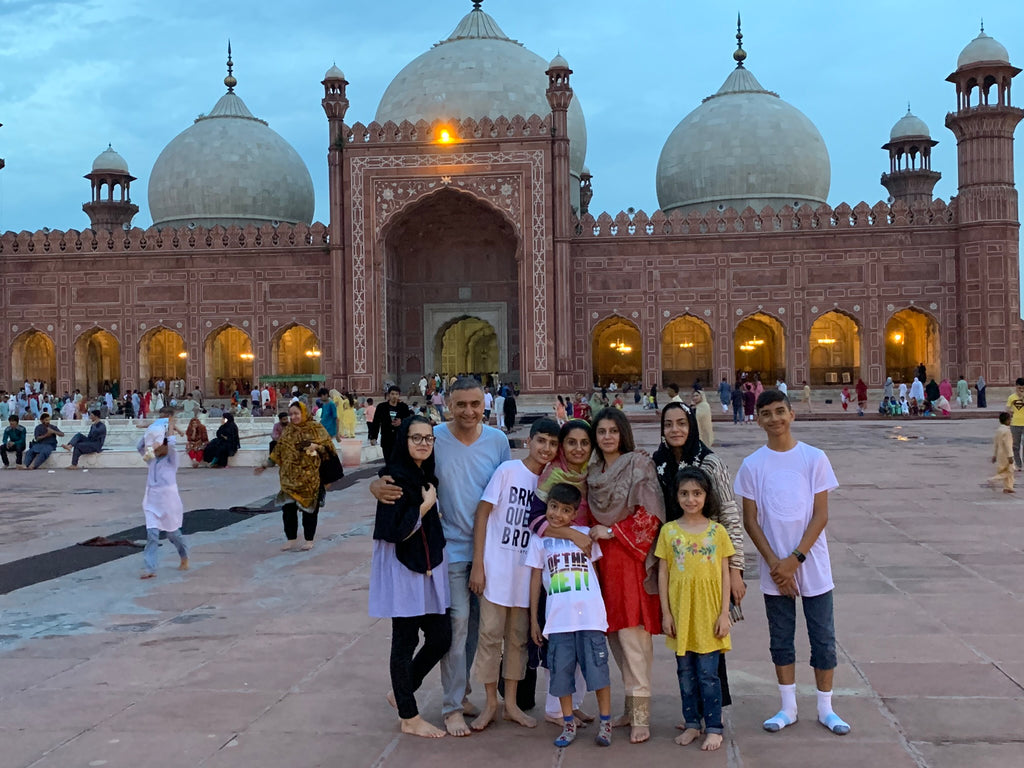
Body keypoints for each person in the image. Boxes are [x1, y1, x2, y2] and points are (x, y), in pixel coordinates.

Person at [370, 377, 510, 737]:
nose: (468, 411)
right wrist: (377, 482)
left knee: (476, 631)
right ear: (448, 403)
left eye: (475, 404)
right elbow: (403, 469)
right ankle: (450, 708)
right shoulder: (436, 438)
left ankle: (457, 693)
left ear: (486, 404)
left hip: (487, 551)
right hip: (447, 551)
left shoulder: (498, 441)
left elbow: (508, 490)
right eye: (461, 404)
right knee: (455, 627)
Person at [734, 390, 849, 736]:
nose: (774, 418)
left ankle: (826, 709)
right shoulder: (753, 464)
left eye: (780, 411)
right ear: (758, 420)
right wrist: (776, 565)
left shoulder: (813, 458)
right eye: (766, 413)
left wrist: (794, 560)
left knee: (823, 638)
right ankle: (788, 708)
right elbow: (751, 521)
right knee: (781, 638)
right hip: (775, 569)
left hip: (811, 563)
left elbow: (821, 514)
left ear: (792, 414)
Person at [467, 417, 559, 731]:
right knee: (490, 638)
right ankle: (490, 703)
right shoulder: (509, 472)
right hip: (495, 571)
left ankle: (511, 704)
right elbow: (483, 513)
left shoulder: (550, 484)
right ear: (529, 441)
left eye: (552, 443)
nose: (546, 448)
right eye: (541, 441)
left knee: (518, 641)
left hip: (526, 579)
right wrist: (478, 563)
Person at [586, 407, 665, 744]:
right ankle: (630, 708)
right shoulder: (592, 473)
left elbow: (650, 516)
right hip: (603, 564)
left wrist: (612, 532)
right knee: (615, 638)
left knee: (634, 640)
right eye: (601, 431)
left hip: (629, 560)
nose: (607, 437)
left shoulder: (638, 464)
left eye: (613, 431)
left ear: (623, 433)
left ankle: (642, 717)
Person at [369, 415, 451, 738]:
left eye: (428, 438)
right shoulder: (394, 481)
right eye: (415, 438)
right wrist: (424, 506)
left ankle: (401, 691)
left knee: (441, 636)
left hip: (428, 566)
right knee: (404, 640)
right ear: (403, 440)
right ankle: (409, 716)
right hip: (403, 568)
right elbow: (396, 530)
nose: (422, 444)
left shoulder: (424, 476)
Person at [527, 482, 613, 749]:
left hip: (590, 617)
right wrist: (534, 620)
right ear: (547, 506)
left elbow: (597, 575)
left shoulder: (585, 535)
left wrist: (601, 610)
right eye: (553, 507)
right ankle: (567, 722)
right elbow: (534, 582)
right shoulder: (540, 540)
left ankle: (606, 723)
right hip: (558, 619)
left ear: (575, 512)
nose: (557, 514)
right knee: (561, 673)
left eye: (565, 510)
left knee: (598, 673)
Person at [656, 466, 734, 751]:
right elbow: (662, 573)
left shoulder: (718, 532)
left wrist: (724, 613)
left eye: (697, 493)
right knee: (685, 674)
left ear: (706, 495)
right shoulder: (669, 531)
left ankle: (714, 726)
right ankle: (692, 723)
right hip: (681, 614)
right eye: (685, 493)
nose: (691, 499)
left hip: (710, 615)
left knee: (709, 675)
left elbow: (725, 574)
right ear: (676, 496)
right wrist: (666, 613)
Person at [255, 401, 336, 551]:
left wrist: (316, 446)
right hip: (289, 478)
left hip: (310, 478)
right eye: (291, 414)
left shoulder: (316, 429)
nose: (293, 417)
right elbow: (278, 451)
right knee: (288, 510)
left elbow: (329, 449)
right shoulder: (288, 431)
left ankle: (309, 539)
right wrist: (265, 465)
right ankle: (291, 539)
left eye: (296, 414)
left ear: (304, 413)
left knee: (309, 510)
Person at [139, 406, 189, 579]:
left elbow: (171, 443)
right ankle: (150, 568)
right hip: (152, 498)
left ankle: (184, 555)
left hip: (168, 499)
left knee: (173, 534)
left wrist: (170, 427)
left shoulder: (171, 458)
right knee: (152, 534)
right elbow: (142, 445)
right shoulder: (151, 459)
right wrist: (152, 429)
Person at [369, 386, 412, 460]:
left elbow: (409, 421)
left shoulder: (403, 407)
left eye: (396, 394)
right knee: (389, 461)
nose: (394, 396)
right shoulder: (381, 407)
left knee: (399, 461)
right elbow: (376, 422)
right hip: (387, 438)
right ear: (389, 395)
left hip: (400, 439)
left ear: (399, 395)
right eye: (392, 394)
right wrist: (373, 437)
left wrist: (401, 422)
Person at [989, 412, 1015, 494]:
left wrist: (995, 455)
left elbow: (996, 443)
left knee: (1007, 470)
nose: (1011, 421)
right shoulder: (1007, 431)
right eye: (1010, 419)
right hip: (1006, 454)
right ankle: (993, 480)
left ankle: (1008, 487)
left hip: (1000, 453)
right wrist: (1010, 456)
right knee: (1010, 471)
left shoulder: (999, 430)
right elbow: (1008, 445)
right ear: (1007, 421)